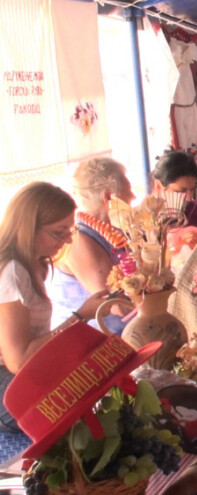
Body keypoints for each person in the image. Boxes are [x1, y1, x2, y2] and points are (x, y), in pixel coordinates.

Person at [0, 183, 109, 430]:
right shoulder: (12, 272)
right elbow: (18, 361)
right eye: (59, 233)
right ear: (28, 228)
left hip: (24, 374)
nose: (68, 240)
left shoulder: (34, 264)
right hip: (7, 387)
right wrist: (80, 317)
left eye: (70, 231)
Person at [47, 158, 134, 334]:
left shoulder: (114, 229)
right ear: (109, 197)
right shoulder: (78, 239)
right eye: (128, 191)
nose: (133, 197)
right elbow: (117, 304)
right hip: (92, 345)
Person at [152, 150, 197, 228]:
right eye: (181, 192)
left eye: (192, 190)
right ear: (158, 187)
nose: (189, 198)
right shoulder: (140, 220)